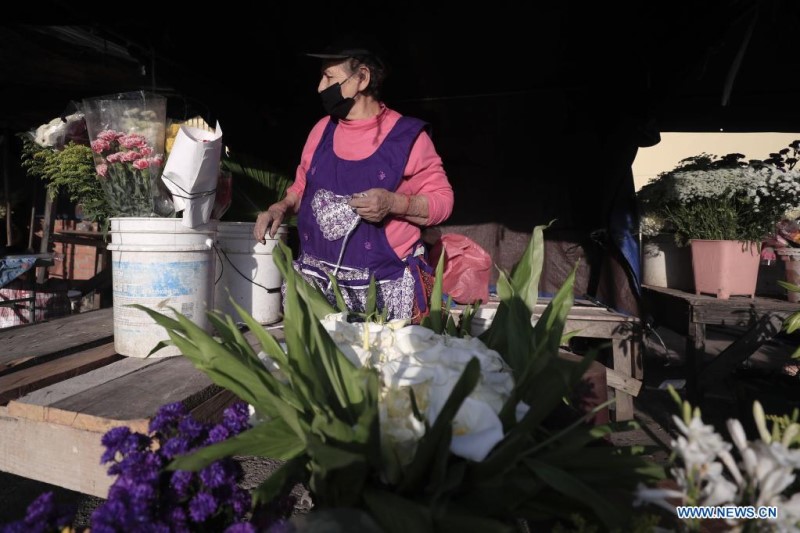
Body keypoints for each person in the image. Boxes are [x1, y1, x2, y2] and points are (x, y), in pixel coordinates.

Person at [254, 39, 454, 322]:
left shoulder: (408, 138)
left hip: (385, 289)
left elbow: (443, 201)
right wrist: (281, 207)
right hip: (319, 290)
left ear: (362, 77)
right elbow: (302, 187)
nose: (320, 87)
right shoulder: (321, 130)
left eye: (329, 77)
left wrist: (393, 203)